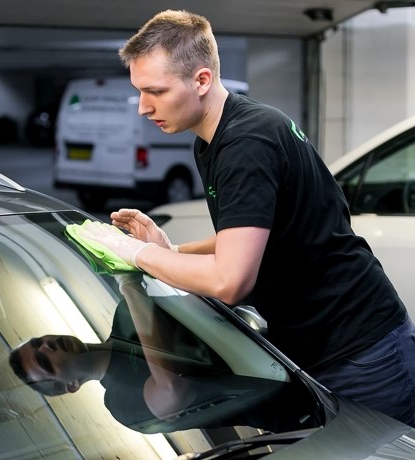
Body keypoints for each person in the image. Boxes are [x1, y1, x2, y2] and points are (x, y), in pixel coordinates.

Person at [76, 9, 415, 427]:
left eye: (155, 91)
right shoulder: (215, 138)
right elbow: (250, 235)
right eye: (139, 91)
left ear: (201, 80)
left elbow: (230, 281)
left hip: (362, 351)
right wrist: (171, 250)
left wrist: (136, 253)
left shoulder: (246, 143)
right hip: (322, 348)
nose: (143, 108)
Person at [9, 273, 236, 433]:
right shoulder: (120, 403)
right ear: (72, 385)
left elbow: (206, 303)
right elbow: (174, 390)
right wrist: (130, 287)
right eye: (44, 361)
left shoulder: (126, 313)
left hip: (253, 325)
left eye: (39, 342)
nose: (47, 346)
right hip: (267, 395)